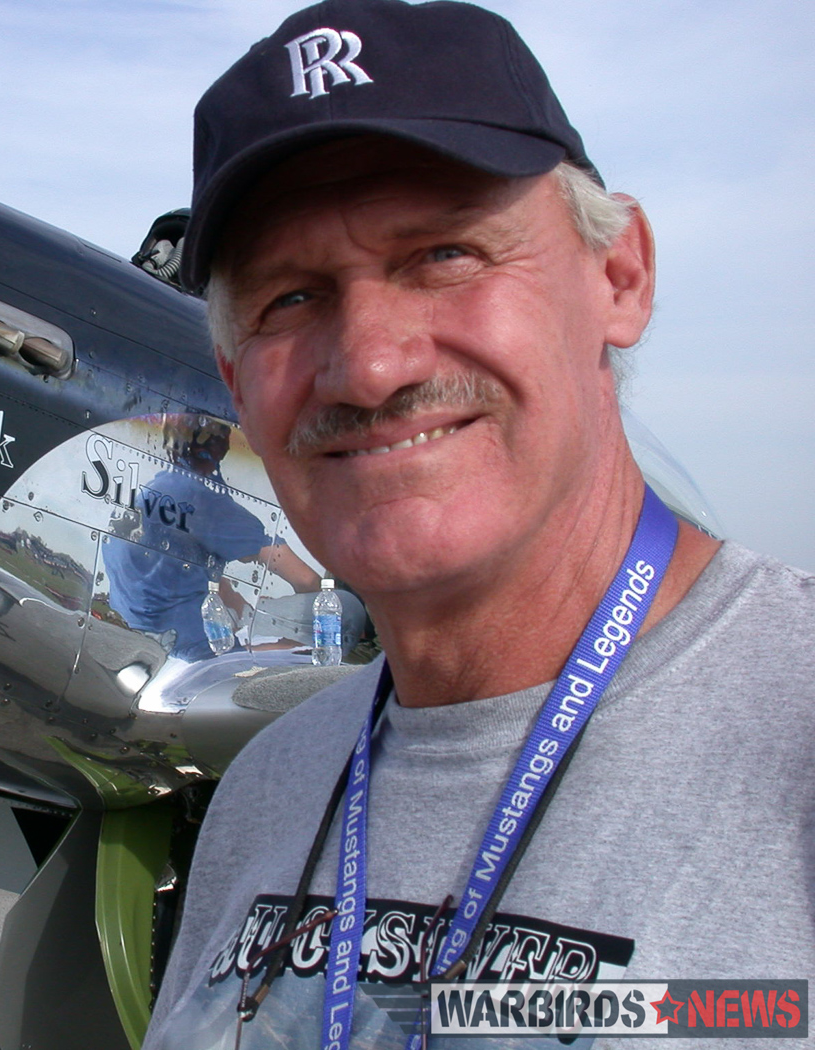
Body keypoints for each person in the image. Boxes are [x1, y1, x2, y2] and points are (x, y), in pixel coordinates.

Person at [143, 2, 815, 1048]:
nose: (368, 364)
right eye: (288, 298)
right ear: (235, 381)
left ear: (618, 277)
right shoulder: (262, 795)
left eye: (445, 253)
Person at [104, 415, 320, 662]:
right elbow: (307, 580)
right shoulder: (205, 501)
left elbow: (190, 566)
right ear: (219, 449)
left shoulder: (151, 491)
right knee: (346, 609)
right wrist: (295, 645)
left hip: (134, 636)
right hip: (195, 654)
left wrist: (244, 610)